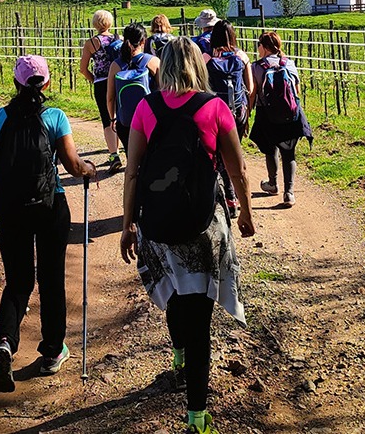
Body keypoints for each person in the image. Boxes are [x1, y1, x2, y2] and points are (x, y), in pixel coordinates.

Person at [119, 38, 255, 434]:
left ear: (163, 67)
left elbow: (132, 171)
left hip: (159, 225)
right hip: (203, 226)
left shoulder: (146, 108)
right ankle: (197, 416)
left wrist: (128, 224)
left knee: (175, 294)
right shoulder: (215, 107)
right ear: (199, 66)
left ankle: (178, 358)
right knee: (200, 319)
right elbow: (238, 170)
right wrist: (246, 213)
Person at [0, 55, 99, 393]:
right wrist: (89, 169)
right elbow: (73, 166)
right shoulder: (55, 116)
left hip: (10, 211)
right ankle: (52, 352)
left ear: (15, 83)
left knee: (17, 282)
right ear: (47, 83)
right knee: (51, 279)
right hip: (49, 207)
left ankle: (4, 343)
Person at [248, 31, 312, 207]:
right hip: (291, 115)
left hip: (266, 114)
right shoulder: (289, 63)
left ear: (264, 47)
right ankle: (289, 193)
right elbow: (297, 91)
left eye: (259, 45)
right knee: (289, 153)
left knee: (270, 150)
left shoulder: (256, 67)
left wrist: (248, 112)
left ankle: (272, 184)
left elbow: (253, 94)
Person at [205, 20, 255, 217]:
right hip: (238, 112)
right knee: (234, 152)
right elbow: (250, 88)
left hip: (215, 114)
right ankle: (235, 197)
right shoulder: (242, 56)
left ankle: (228, 196)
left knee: (218, 155)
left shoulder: (206, 58)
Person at [79, 10, 124, 173]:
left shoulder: (91, 43)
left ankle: (114, 155)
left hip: (102, 83)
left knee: (107, 118)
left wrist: (94, 79)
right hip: (119, 81)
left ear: (95, 24)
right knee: (121, 116)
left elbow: (83, 68)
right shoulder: (119, 39)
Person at [107, 23, 161, 148]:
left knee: (131, 156)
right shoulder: (153, 62)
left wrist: (113, 118)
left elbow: (110, 97)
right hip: (149, 120)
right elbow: (162, 91)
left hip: (125, 121)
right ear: (143, 41)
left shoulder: (116, 65)